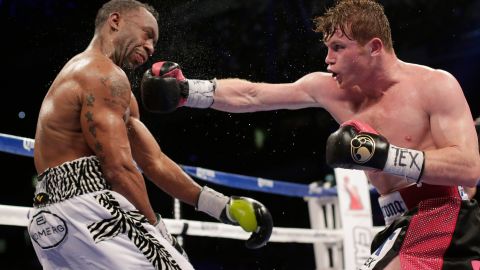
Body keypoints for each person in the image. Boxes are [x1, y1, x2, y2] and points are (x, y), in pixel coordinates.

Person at [140, 0, 480, 269]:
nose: (328, 59)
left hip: (443, 214)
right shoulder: (330, 89)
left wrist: (386, 156)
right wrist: (188, 92)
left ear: (374, 47)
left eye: (338, 48)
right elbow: (254, 95)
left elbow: (468, 168)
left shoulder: (434, 85)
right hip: (400, 224)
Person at [27, 1, 273, 269]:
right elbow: (118, 169)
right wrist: (156, 228)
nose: (151, 47)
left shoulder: (108, 85)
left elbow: (152, 160)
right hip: (88, 208)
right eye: (147, 34)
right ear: (115, 21)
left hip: (46, 219)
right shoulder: (101, 74)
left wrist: (221, 206)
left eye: (154, 42)